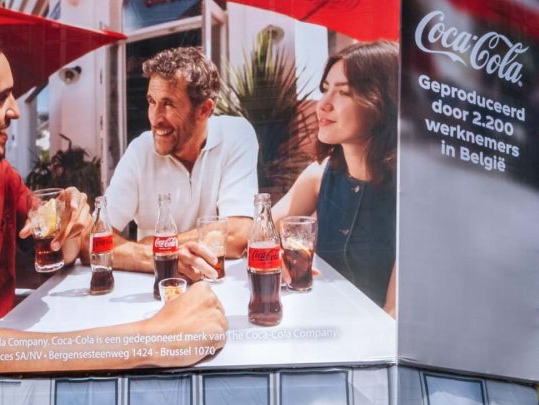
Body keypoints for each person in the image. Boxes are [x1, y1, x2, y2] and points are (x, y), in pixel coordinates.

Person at [0, 18, 226, 376]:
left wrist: (71, 224)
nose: (14, 109)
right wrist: (150, 339)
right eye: (0, 98)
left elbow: (67, 251)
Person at [101, 47, 258, 276]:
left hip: (219, 284)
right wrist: (160, 256)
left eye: (168, 104)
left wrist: (151, 243)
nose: (155, 119)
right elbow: (95, 241)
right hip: (156, 287)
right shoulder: (139, 151)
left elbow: (238, 234)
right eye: (152, 101)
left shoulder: (236, 135)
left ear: (204, 109)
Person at [272, 41, 399, 314]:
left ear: (382, 103)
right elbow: (259, 231)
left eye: (344, 93)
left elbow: (393, 316)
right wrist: (272, 253)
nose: (323, 105)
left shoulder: (413, 195)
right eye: (325, 90)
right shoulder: (319, 175)